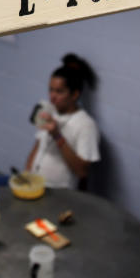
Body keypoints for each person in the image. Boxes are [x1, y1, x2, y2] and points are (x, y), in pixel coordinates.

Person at [25, 53, 100, 189]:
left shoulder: (86, 125)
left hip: (59, 194)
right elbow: (37, 147)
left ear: (75, 94)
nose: (52, 97)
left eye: (59, 91)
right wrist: (26, 175)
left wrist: (57, 136)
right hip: (34, 185)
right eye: (50, 90)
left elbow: (82, 172)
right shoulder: (49, 111)